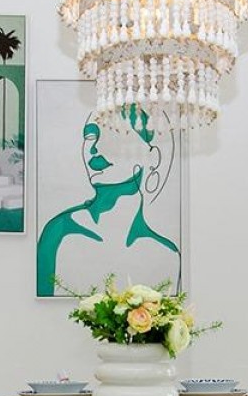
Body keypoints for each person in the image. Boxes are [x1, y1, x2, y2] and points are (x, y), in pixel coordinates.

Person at [36, 104, 181, 297]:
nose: (94, 147)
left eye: (114, 133)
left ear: (152, 157)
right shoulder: (58, 231)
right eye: (90, 136)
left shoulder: (167, 254)